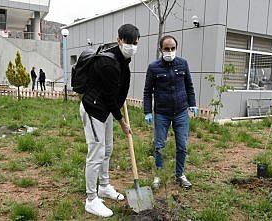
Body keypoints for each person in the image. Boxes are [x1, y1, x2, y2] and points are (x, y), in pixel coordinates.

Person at [79, 24, 140, 218]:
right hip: (94, 108)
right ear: (119, 40)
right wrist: (121, 121)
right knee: (96, 152)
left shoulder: (122, 58)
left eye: (135, 43)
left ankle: (104, 186)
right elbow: (109, 96)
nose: (132, 46)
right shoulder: (109, 63)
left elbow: (116, 93)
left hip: (105, 108)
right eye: (129, 42)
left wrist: (118, 110)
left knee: (107, 149)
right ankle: (91, 199)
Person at [143, 35, 198, 189]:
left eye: (172, 48)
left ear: (176, 48)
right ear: (161, 49)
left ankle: (180, 175)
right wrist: (147, 111)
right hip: (162, 113)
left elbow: (189, 86)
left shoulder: (183, 64)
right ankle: (158, 175)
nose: (170, 51)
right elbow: (148, 92)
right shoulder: (153, 68)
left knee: (182, 145)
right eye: (166, 49)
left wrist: (192, 104)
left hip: (181, 111)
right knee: (159, 145)